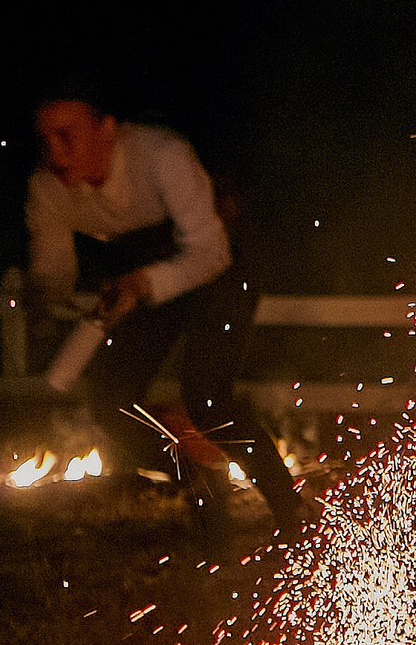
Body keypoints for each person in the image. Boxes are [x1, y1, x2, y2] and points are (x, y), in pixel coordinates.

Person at [25, 87, 304, 532]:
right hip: (144, 276)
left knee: (208, 397)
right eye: (45, 139)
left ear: (107, 129)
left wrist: (141, 283)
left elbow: (211, 251)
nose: (54, 152)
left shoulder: (161, 154)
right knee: (112, 399)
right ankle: (200, 481)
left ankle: (292, 513)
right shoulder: (47, 188)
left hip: (218, 265)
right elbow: (53, 270)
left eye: (67, 135)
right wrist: (48, 302)